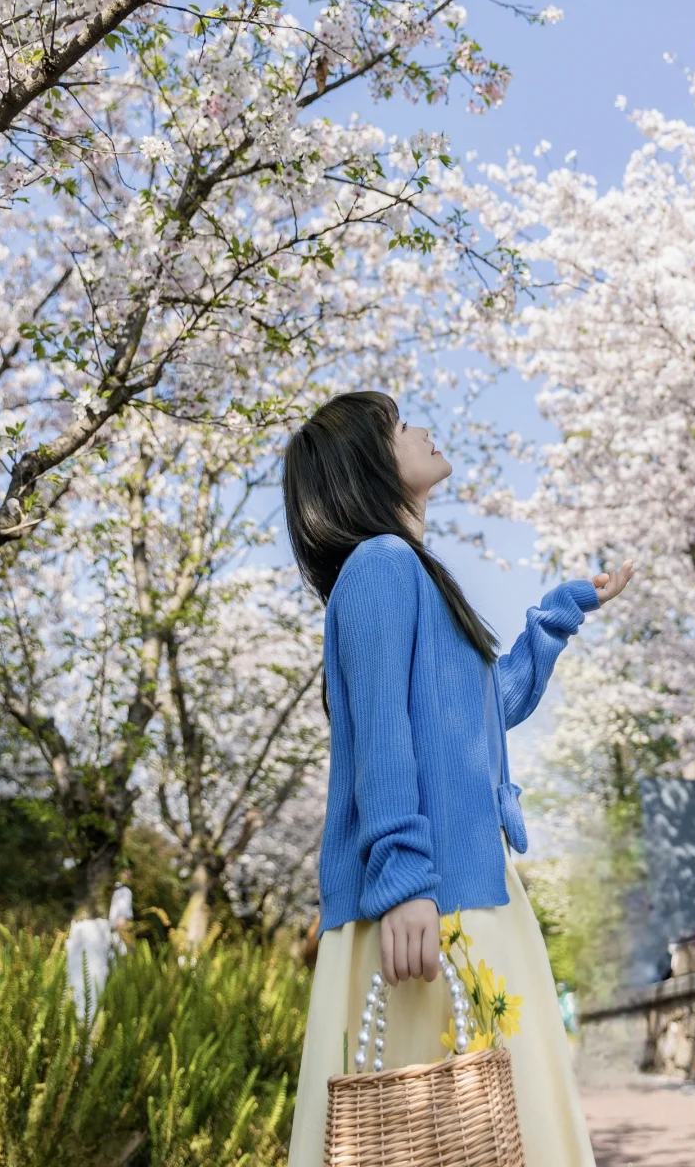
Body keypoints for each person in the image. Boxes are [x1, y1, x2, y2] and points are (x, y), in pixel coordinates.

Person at [282, 391, 633, 1167]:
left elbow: (476, 716)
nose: (423, 430)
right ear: (369, 464)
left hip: (465, 892)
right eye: (400, 426)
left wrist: (558, 617)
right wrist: (405, 879)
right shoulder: (380, 567)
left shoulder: (411, 572)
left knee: (490, 1133)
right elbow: (380, 734)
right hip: (425, 901)